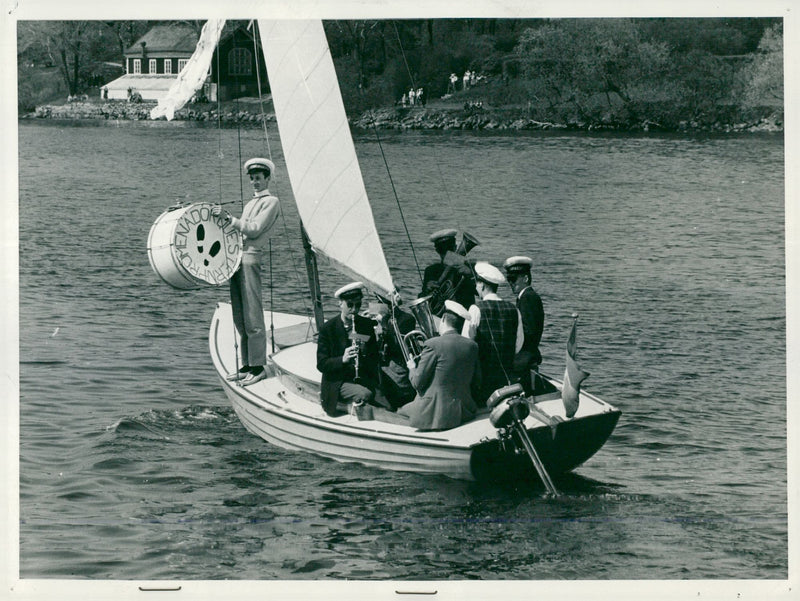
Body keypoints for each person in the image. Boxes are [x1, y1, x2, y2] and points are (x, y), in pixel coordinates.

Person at [212, 158, 280, 386]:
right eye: (252, 178)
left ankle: (259, 366)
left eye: (259, 178)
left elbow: (254, 229)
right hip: (237, 259)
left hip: (251, 259)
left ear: (267, 178)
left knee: (253, 316)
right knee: (240, 317)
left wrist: (229, 219)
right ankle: (247, 364)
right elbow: (241, 227)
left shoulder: (271, 202)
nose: (255, 182)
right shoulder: (252, 201)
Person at [398, 300, 479, 430]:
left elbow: (417, 383)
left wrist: (412, 367)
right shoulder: (472, 346)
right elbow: (476, 380)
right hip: (463, 410)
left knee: (399, 411)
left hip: (435, 412)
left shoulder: (433, 344)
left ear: (443, 319)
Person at [316, 282, 382, 417]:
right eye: (350, 305)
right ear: (340, 304)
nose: (354, 310)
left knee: (389, 400)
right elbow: (322, 364)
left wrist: (365, 352)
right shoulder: (328, 329)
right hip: (338, 381)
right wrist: (343, 359)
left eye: (357, 305)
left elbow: (374, 358)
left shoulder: (365, 325)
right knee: (365, 394)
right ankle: (344, 405)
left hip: (362, 377)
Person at [463, 261, 523, 404]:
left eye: (477, 284)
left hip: (481, 381)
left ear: (482, 285)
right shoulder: (514, 309)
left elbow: (466, 345)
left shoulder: (475, 309)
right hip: (506, 380)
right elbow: (518, 345)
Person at [504, 256, 545, 396]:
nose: (511, 283)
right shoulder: (526, 297)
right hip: (527, 356)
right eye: (509, 279)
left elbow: (529, 331)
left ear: (525, 279)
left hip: (525, 357)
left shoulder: (528, 298)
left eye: (514, 279)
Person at [419, 228, 476, 313]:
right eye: (442, 250)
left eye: (449, 249)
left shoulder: (469, 268)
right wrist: (427, 291)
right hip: (440, 317)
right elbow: (421, 301)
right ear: (437, 251)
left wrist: (470, 275)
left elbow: (482, 292)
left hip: (464, 316)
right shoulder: (431, 271)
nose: (446, 254)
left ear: (455, 247)